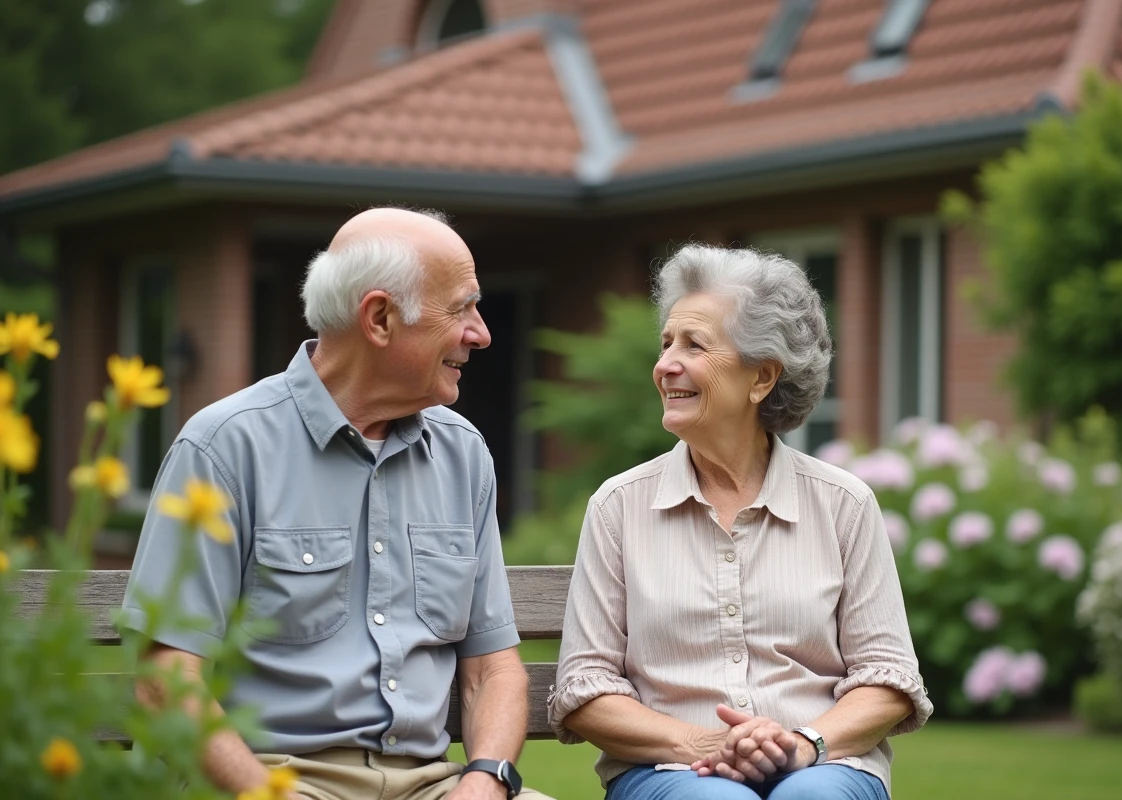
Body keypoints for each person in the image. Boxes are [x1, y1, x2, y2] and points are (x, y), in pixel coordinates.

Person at [122, 208, 550, 800]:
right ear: (379, 317)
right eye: (460, 309)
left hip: (432, 785)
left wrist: (485, 779)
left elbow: (492, 671)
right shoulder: (224, 447)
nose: (481, 332)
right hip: (270, 780)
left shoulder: (462, 453)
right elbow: (166, 678)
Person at [547, 244, 932, 800]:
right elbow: (585, 692)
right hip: (669, 774)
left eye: (694, 345)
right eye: (666, 344)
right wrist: (706, 747)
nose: (665, 364)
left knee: (811, 796)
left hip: (824, 763)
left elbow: (888, 680)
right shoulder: (619, 507)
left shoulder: (844, 504)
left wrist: (803, 743)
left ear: (761, 378)